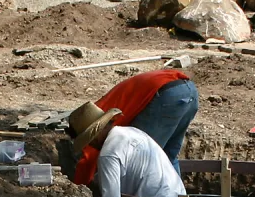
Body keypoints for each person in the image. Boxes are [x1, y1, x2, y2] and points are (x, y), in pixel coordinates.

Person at [68, 101, 185, 197]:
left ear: (95, 135)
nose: (90, 145)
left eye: (89, 141)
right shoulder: (131, 132)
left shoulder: (108, 154)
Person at [67, 67, 198, 187]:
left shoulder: (93, 122)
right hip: (188, 89)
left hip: (166, 95)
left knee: (143, 157)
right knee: (168, 156)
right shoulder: (99, 110)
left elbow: (91, 159)